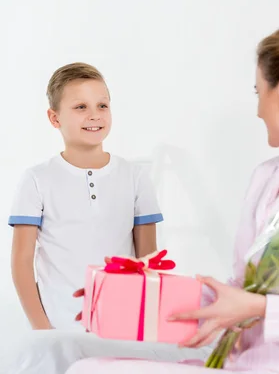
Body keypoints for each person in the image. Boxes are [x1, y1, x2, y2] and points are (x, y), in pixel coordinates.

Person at [65, 24, 279, 374]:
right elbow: (237, 295)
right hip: (239, 363)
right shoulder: (267, 176)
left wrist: (264, 309)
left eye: (259, 93)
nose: (258, 110)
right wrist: (130, 298)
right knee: (87, 364)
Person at [9, 63, 164, 330]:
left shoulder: (135, 177)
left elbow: (148, 261)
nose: (95, 115)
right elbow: (21, 262)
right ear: (54, 118)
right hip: (58, 327)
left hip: (121, 325)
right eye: (81, 107)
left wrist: (145, 325)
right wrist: (43, 330)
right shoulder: (36, 180)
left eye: (102, 106)